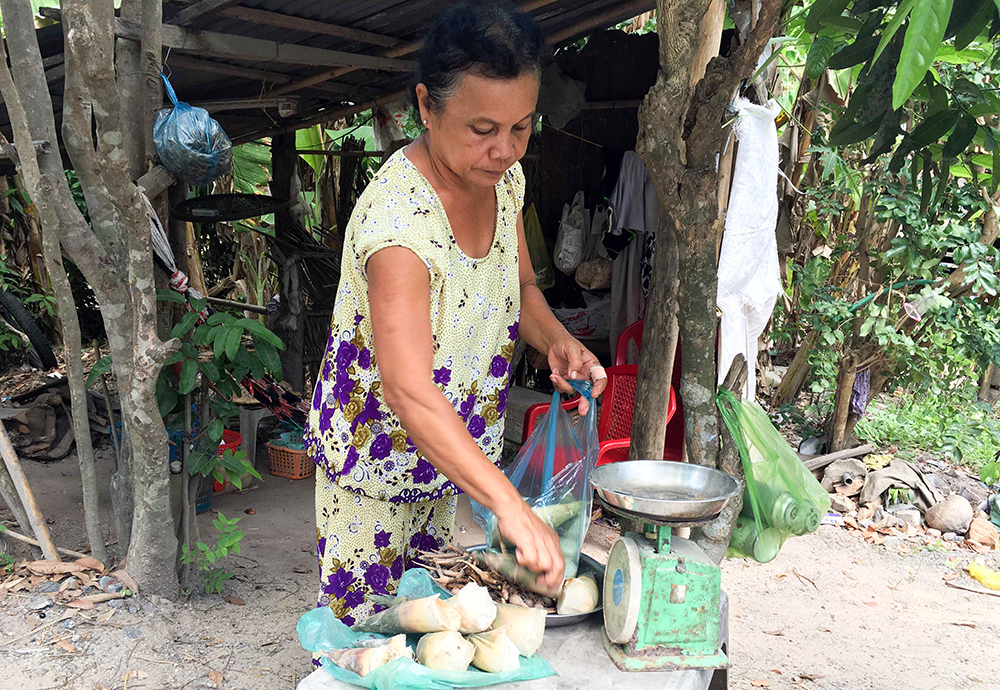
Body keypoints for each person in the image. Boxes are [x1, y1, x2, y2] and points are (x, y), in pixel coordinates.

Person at [305, 1, 607, 628]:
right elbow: (408, 390)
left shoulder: (507, 183)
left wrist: (555, 341)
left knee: (441, 625)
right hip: (374, 468)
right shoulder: (399, 228)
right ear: (426, 106)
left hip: (453, 458)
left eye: (521, 127)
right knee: (367, 643)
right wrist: (511, 508)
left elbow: (518, 285)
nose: (504, 150)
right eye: (482, 129)